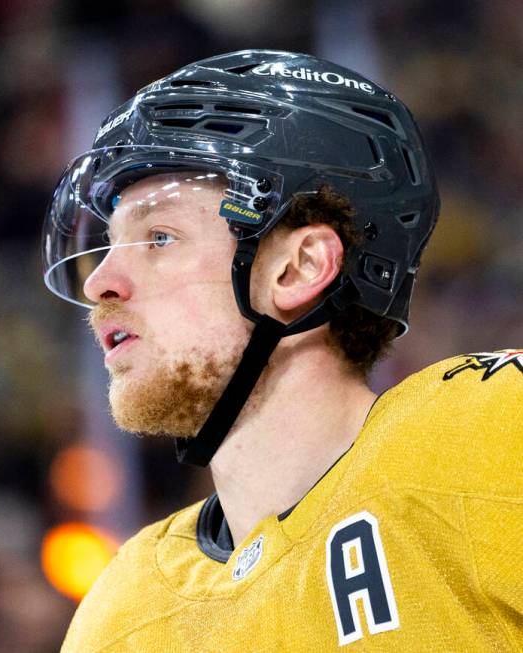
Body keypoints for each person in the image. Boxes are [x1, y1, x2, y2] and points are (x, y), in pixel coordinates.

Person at [42, 50, 522, 651]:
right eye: (110, 245)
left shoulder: (488, 438)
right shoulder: (120, 616)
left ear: (300, 268)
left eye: (159, 237)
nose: (99, 283)